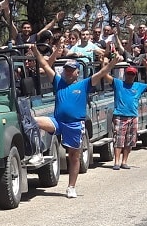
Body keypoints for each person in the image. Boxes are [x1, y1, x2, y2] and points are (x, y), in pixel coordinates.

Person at [34, 49, 115, 198]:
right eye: (66, 70)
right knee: (34, 121)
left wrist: (114, 62)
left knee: (74, 156)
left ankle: (71, 187)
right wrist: (34, 50)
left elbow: (102, 72)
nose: (68, 72)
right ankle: (36, 152)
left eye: (71, 70)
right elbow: (45, 65)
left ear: (77, 72)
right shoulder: (58, 81)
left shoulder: (84, 84)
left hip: (74, 125)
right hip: (57, 121)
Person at [110, 65, 147, 169]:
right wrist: (108, 63)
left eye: (132, 74)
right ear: (125, 74)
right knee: (118, 140)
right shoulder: (118, 83)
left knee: (130, 140)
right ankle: (116, 162)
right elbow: (105, 75)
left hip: (133, 116)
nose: (130, 76)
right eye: (128, 73)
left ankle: (124, 162)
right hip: (120, 115)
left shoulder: (139, 86)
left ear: (135, 75)